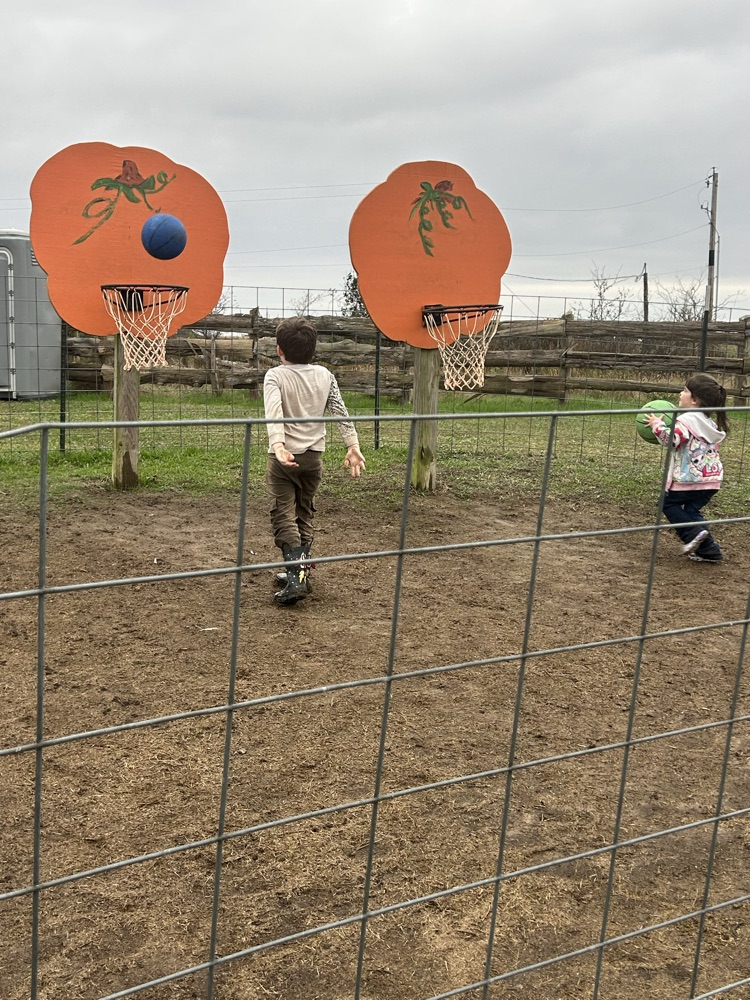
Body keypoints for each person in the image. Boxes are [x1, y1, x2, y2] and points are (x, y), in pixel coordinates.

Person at [263, 316, 366, 604]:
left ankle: (296, 579)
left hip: (283, 460)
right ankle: (301, 574)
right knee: (304, 512)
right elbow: (339, 410)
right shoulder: (325, 375)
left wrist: (279, 445)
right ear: (313, 349)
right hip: (313, 459)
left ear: (279, 349)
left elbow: (274, 413)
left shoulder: (275, 376)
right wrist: (352, 445)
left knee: (282, 513)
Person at [646, 373, 729, 563]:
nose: (680, 393)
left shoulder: (687, 420)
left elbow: (672, 440)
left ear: (695, 400)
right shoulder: (709, 423)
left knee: (667, 504)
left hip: (690, 479)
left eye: (684, 390)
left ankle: (693, 534)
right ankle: (710, 551)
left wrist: (657, 425)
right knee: (691, 511)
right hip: (712, 480)